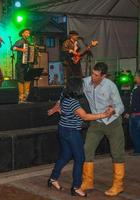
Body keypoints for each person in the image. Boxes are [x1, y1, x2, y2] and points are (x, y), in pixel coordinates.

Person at [48, 77, 113, 197]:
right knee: (80, 159)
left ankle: (52, 179)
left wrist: (54, 110)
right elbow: (85, 117)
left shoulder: (64, 95)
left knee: (65, 155)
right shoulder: (73, 102)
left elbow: (59, 105)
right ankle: (76, 187)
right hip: (72, 132)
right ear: (77, 88)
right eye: (82, 86)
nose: (83, 88)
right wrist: (103, 115)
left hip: (62, 129)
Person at [81, 62, 125, 196]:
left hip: (113, 123)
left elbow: (120, 106)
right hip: (96, 123)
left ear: (103, 76)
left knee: (117, 153)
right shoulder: (85, 82)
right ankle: (87, 182)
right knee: (87, 149)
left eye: (96, 75)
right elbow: (70, 90)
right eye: (92, 73)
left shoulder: (110, 86)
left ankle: (118, 185)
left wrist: (113, 110)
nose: (93, 77)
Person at [12, 28, 32, 103]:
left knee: (27, 78)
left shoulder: (28, 42)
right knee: (21, 79)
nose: (28, 34)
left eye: (29, 33)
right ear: (23, 34)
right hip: (20, 63)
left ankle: (25, 97)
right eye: (27, 33)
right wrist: (22, 50)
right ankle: (21, 97)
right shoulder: (20, 41)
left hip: (27, 63)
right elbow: (13, 48)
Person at [125, 70, 140, 156]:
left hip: (137, 115)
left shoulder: (137, 89)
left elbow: (135, 102)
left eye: (136, 76)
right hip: (134, 115)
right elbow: (132, 102)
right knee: (134, 134)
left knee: (135, 134)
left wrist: (129, 112)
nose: (135, 78)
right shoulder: (135, 87)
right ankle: (138, 150)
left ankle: (138, 150)